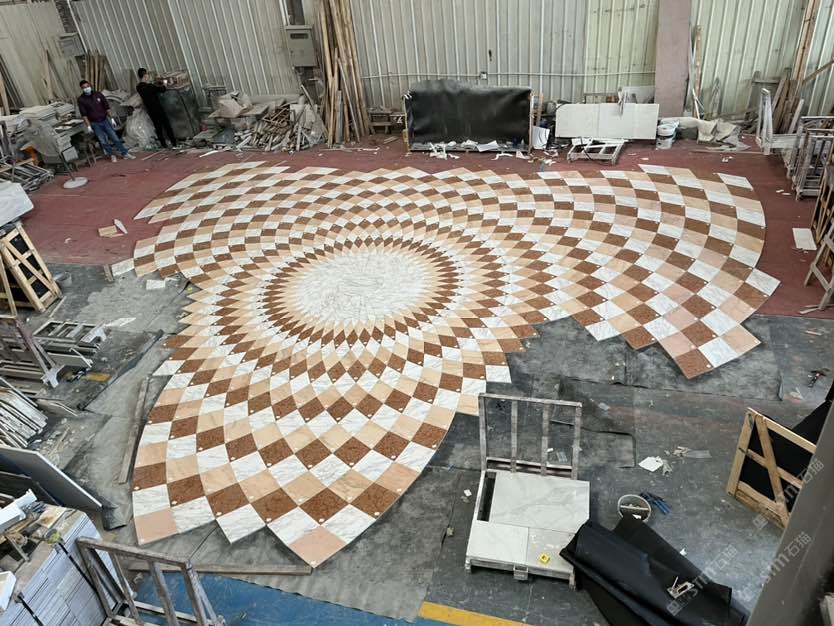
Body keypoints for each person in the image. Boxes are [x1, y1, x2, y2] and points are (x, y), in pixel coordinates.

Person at [77, 80, 134, 162]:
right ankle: (111, 155)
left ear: (90, 86)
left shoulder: (98, 95)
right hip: (95, 123)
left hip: (105, 120)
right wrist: (88, 126)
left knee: (115, 137)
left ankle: (124, 153)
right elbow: (84, 114)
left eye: (87, 86)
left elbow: (106, 107)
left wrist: (112, 118)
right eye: (84, 88)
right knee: (103, 141)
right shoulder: (81, 100)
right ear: (81, 89)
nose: (86, 88)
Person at [136, 68, 177, 149]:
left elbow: (150, 87)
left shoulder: (138, 87)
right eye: (147, 74)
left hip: (150, 110)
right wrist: (165, 83)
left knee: (158, 127)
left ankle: (163, 144)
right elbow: (162, 89)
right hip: (158, 109)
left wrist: (154, 83)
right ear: (145, 75)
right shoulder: (150, 86)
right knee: (167, 125)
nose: (148, 76)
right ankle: (174, 143)